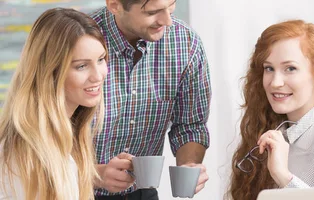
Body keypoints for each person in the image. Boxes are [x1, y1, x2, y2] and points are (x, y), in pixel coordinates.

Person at [90, 0, 211, 199]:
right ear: (114, 5)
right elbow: (38, 141)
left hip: (142, 193)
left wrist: (189, 164)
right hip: (74, 190)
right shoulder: (77, 40)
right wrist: (95, 174)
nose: (168, 21)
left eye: (171, 6)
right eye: (153, 12)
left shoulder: (186, 42)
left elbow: (190, 125)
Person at [228, 20, 314, 200]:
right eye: (269, 68)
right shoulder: (276, 132)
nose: (275, 82)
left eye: (290, 68)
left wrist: (283, 176)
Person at [0, 8, 108, 200]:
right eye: (81, 66)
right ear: (51, 71)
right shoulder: (25, 154)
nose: (98, 76)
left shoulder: (66, 141)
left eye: (100, 60)